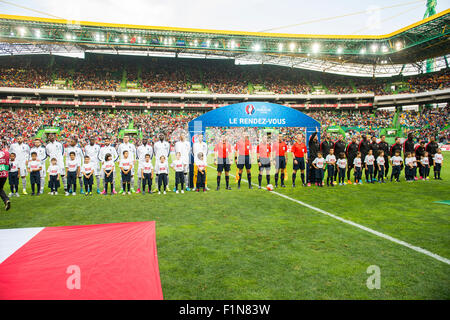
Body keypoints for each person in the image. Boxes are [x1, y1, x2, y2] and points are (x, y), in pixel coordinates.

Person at [0, 146, 11, 210]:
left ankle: (6, 200)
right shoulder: (6, 153)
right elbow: (8, 165)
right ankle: (6, 200)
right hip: (4, 174)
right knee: (0, 188)